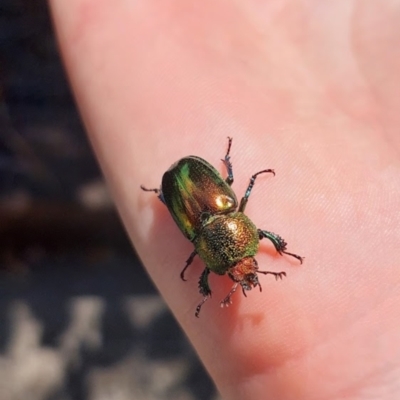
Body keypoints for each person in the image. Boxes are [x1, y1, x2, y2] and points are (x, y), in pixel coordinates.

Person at [49, 1, 400, 398]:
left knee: (236, 187)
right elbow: (219, 259)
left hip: (186, 193)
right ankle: (168, 194)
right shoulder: (221, 239)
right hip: (190, 189)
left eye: (239, 270)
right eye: (246, 266)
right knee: (237, 184)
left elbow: (210, 266)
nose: (245, 272)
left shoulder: (219, 245)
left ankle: (168, 194)